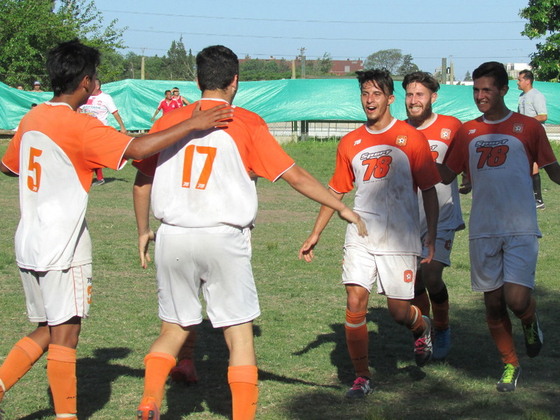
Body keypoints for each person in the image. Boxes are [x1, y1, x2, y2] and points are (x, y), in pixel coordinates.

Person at [0, 39, 232, 420]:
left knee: (47, 327)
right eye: (97, 78)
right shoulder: (80, 126)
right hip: (63, 245)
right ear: (87, 82)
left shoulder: (32, 118)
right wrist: (192, 123)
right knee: (66, 335)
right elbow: (138, 149)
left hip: (28, 240)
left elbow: (9, 167)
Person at [132, 45, 366, 420]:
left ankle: (149, 401)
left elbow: (142, 179)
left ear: (196, 80)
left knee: (173, 328)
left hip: (172, 234)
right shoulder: (246, 122)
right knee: (240, 336)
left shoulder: (167, 122)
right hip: (223, 237)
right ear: (235, 81)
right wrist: (340, 205)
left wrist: (144, 229)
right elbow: (295, 176)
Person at [299, 68, 440, 399]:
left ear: (390, 99)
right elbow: (335, 192)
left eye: (376, 93)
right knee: (355, 299)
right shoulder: (350, 142)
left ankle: (423, 326)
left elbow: (430, 190)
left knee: (398, 312)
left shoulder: (410, 137)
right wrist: (315, 233)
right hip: (360, 234)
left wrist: (430, 234)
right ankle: (362, 377)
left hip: (400, 237)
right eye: (365, 93)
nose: (369, 99)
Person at [438, 61, 560, 392]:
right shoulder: (467, 131)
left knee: (517, 299)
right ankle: (509, 364)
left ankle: (530, 320)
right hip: (483, 229)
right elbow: (446, 174)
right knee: (492, 303)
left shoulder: (528, 128)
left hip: (520, 226)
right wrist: (416, 157)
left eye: (486, 89)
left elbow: (552, 170)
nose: (480, 96)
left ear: (504, 90)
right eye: (476, 90)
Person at [402, 71, 464, 360]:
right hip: (406, 219)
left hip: (443, 215)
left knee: (432, 274)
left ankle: (442, 326)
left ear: (433, 98)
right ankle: (422, 331)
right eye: (409, 94)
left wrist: (471, 177)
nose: (414, 100)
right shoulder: (397, 130)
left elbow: (465, 158)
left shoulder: (451, 126)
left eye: (420, 95)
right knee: (413, 281)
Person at [79, 78, 128, 186]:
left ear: (97, 86)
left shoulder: (105, 98)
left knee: (93, 153)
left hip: (99, 130)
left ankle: (102, 175)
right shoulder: (85, 96)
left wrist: (122, 127)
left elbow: (114, 112)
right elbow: (79, 109)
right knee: (86, 154)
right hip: (86, 130)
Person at [517, 69, 548, 209]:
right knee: (524, 166)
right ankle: (527, 197)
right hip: (524, 136)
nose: (518, 82)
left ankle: (538, 200)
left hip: (536, 135)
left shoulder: (537, 96)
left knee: (534, 166)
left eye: (520, 80)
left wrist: (527, 122)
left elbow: (543, 116)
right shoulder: (521, 96)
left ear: (527, 81)